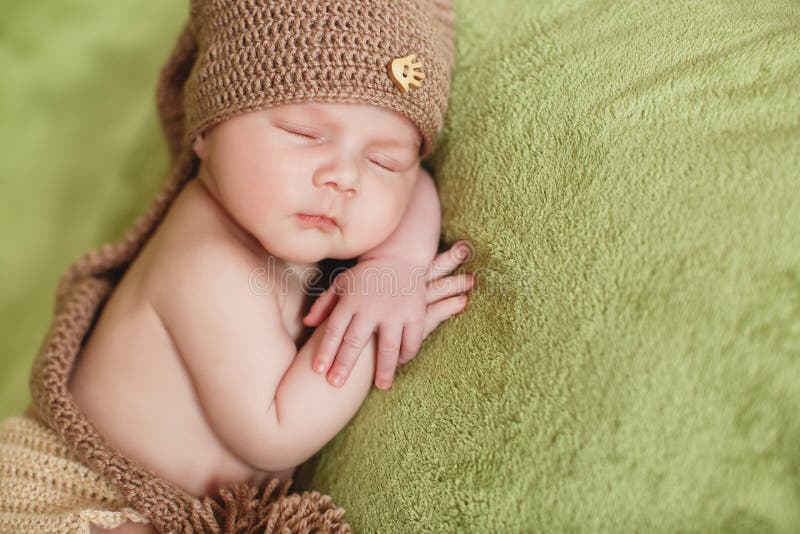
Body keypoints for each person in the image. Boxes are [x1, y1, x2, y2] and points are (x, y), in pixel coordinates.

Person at [0, 0, 464, 532]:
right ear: (206, 132)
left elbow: (419, 185)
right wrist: (368, 331)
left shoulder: (291, 215)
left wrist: (395, 267)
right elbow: (276, 431)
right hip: (82, 496)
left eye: (384, 160)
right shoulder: (205, 263)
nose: (344, 176)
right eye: (304, 132)